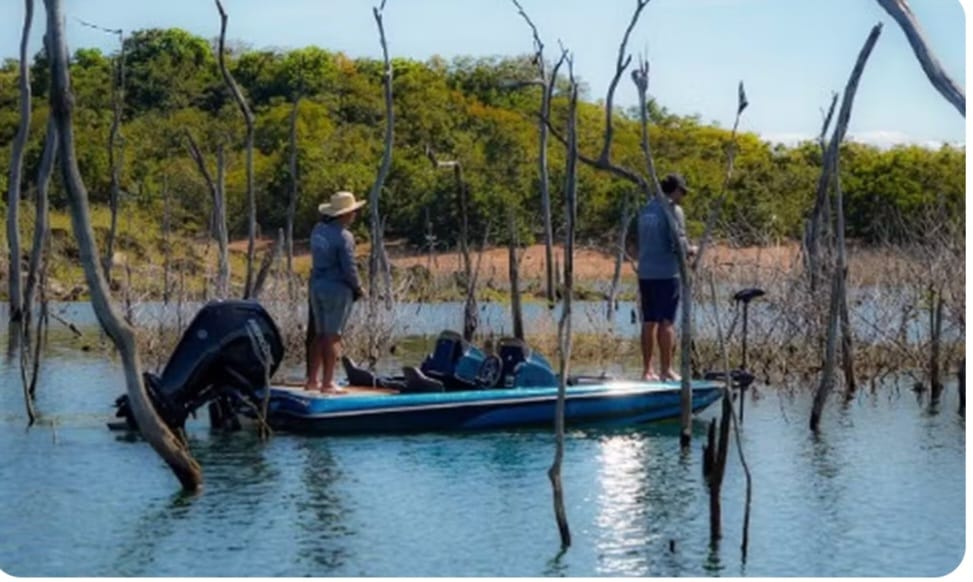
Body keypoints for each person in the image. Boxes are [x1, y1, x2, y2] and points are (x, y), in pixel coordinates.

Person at [636, 173, 697, 381]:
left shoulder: (646, 209)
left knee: (649, 321)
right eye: (682, 192)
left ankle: (647, 371)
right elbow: (678, 243)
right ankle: (666, 370)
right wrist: (692, 250)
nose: (683, 196)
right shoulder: (673, 210)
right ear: (675, 190)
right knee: (667, 322)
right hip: (666, 274)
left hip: (645, 272)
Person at [306, 191, 367, 393]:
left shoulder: (318, 230)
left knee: (318, 333)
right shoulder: (344, 236)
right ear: (344, 214)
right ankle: (328, 383)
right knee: (333, 336)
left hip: (316, 285)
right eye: (352, 212)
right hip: (336, 288)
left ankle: (312, 380)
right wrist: (358, 288)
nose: (354, 215)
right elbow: (349, 267)